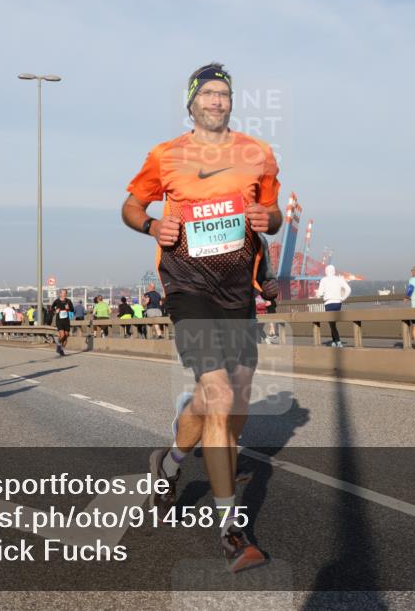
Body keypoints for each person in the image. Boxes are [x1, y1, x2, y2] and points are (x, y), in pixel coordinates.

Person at [121, 62, 281, 573]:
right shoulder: (166, 155)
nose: (216, 101)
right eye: (207, 93)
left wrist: (267, 220)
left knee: (230, 406)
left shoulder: (257, 153)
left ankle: (168, 463)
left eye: (224, 94)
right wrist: (151, 226)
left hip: (238, 291)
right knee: (220, 395)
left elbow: (275, 215)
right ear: (191, 103)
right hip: (186, 285)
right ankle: (232, 531)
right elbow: (130, 204)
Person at [316, 265, 351, 347]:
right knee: (333, 323)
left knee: (331, 323)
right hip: (338, 303)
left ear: (325, 271)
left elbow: (320, 294)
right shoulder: (339, 279)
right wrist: (342, 298)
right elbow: (348, 289)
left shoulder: (323, 280)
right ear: (334, 271)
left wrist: (318, 293)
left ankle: (338, 341)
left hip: (328, 303)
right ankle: (334, 341)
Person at [51, 289, 75, 356]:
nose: (64, 294)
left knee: (66, 335)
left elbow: (72, 309)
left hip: (66, 320)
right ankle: (58, 343)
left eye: (65, 293)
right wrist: (56, 310)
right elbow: (51, 308)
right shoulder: (57, 301)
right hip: (59, 320)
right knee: (62, 335)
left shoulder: (68, 301)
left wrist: (69, 308)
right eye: (63, 293)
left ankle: (61, 350)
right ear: (60, 294)